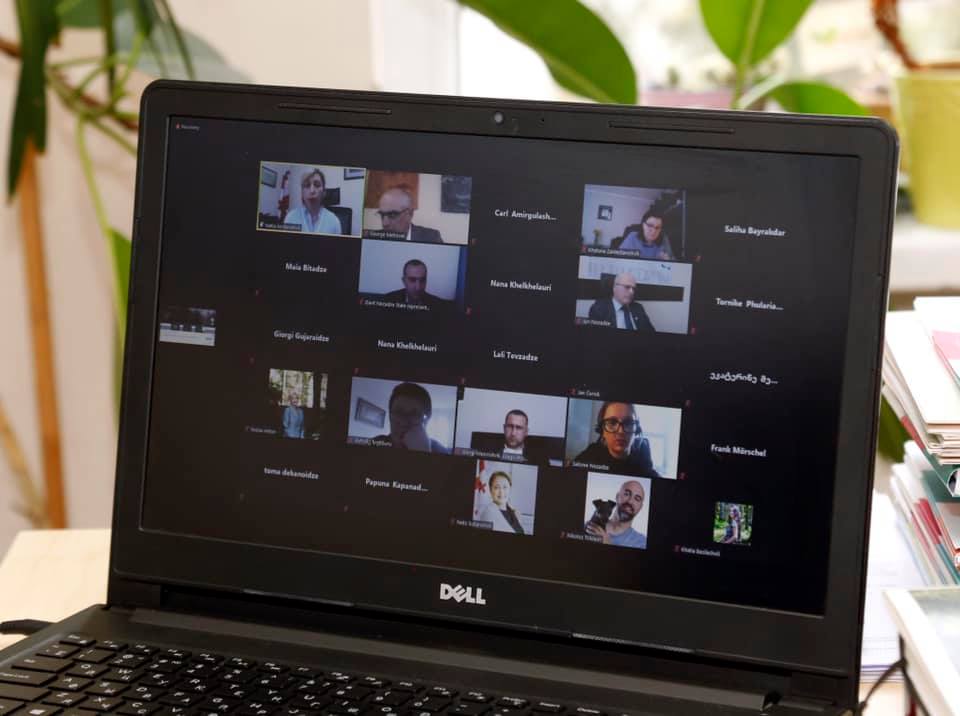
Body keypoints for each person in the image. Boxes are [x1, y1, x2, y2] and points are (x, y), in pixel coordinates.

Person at [574, 402, 661, 478]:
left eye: (628, 423)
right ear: (602, 430)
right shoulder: (589, 456)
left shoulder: (643, 458)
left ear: (637, 430)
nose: (620, 431)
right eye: (612, 423)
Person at [372, 382, 449, 454]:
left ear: (426, 420)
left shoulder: (441, 451)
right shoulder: (374, 443)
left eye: (414, 414)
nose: (404, 422)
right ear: (390, 416)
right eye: (398, 412)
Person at [584, 479, 647, 548]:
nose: (630, 501)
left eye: (637, 499)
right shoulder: (588, 527)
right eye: (626, 494)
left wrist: (607, 543)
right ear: (617, 497)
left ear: (640, 507)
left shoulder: (642, 542)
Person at [587, 272, 655, 332]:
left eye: (633, 288)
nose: (632, 292)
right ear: (614, 287)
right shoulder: (598, 309)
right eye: (627, 287)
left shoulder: (638, 308)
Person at [282, 169, 343, 235]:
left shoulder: (334, 221)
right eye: (307, 185)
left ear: (324, 192)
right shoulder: (291, 218)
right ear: (302, 192)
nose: (312, 191)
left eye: (317, 185)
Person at [373, 186, 443, 243]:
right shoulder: (374, 237)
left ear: (410, 213)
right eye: (382, 215)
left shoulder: (432, 238)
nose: (385, 223)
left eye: (392, 215)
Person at [383, 259, 449, 308]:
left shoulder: (439, 306)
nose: (418, 287)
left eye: (422, 280)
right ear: (404, 281)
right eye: (412, 280)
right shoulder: (387, 301)